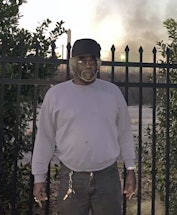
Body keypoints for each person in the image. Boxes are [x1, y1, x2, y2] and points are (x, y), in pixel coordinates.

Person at [31, 38, 136, 215]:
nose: (88, 65)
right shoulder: (56, 95)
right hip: (72, 178)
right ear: (73, 64)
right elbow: (45, 139)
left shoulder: (112, 93)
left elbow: (125, 133)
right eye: (82, 60)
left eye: (92, 61)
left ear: (98, 64)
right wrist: (39, 177)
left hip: (107, 178)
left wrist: (130, 169)